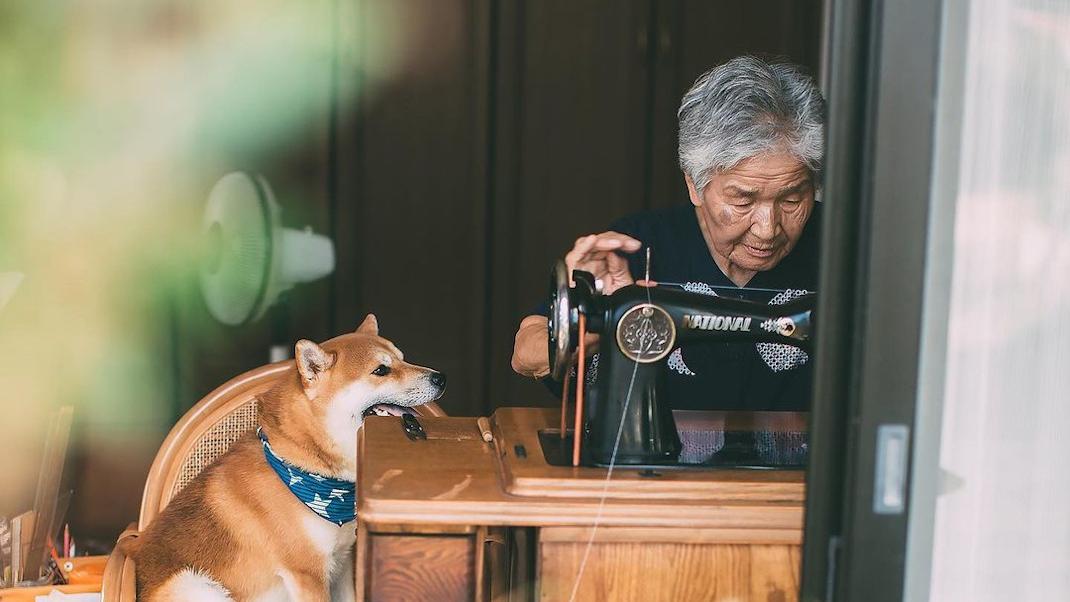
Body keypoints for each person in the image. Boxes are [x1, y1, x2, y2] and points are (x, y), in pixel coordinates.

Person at [510, 55, 824, 411]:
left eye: (792, 199)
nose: (768, 229)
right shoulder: (638, 246)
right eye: (742, 200)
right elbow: (525, 355)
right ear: (695, 185)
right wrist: (602, 316)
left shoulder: (843, 250)